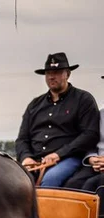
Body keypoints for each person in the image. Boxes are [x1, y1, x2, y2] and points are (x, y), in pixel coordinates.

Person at [15, 53, 100, 188]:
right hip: (35, 161)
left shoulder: (83, 100)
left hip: (68, 158)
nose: (51, 77)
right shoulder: (35, 105)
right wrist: (26, 157)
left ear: (67, 74)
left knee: (50, 180)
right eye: (48, 73)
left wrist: (58, 154)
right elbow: (22, 139)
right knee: (11, 182)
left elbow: (89, 134)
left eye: (57, 72)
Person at [63, 76, 104, 195]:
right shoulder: (100, 113)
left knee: (94, 184)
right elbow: (91, 140)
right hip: (96, 164)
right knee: (72, 184)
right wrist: (91, 159)